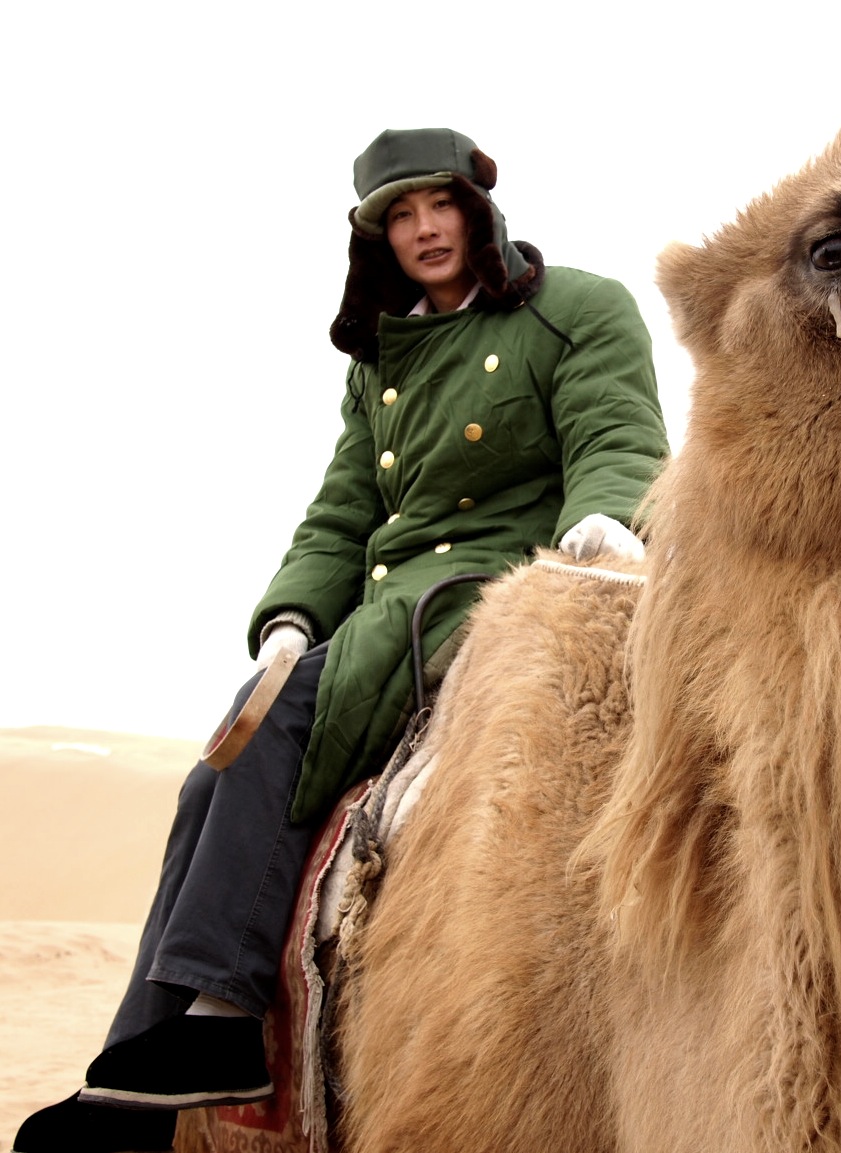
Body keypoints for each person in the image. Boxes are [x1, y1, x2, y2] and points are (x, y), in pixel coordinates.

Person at [12, 127, 669, 1153]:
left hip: (497, 586)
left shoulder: (578, 309)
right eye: (398, 218)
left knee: (281, 736)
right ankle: (147, 1064)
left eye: (436, 207)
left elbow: (616, 433)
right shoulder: (383, 362)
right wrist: (287, 620)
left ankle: (222, 1026)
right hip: (385, 600)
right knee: (217, 765)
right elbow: (342, 510)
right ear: (379, 239)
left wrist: (608, 522)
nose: (422, 231)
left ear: (475, 208)